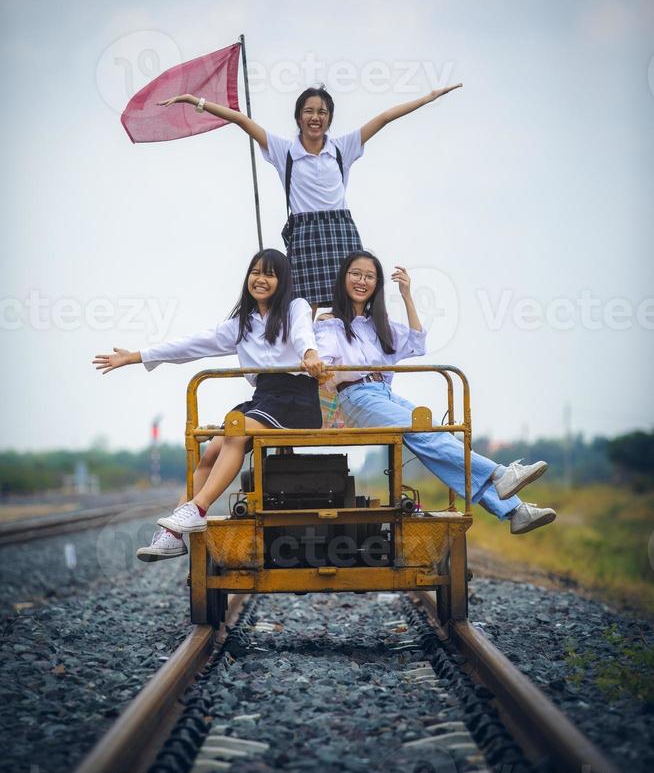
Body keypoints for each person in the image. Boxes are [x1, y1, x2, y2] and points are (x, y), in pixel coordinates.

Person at [92, 249, 327, 561]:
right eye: (255, 272)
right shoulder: (242, 324)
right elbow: (192, 343)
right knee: (211, 452)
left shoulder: (295, 307)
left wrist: (310, 353)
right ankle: (173, 535)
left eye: (269, 274)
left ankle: (197, 508)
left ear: (282, 281)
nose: (260, 279)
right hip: (264, 399)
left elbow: (302, 333)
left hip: (296, 399)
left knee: (235, 431)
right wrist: (136, 356)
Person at [157, 83, 462, 312]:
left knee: (350, 298)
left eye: (322, 112)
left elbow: (383, 118)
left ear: (329, 118)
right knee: (305, 304)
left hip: (340, 228)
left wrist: (426, 98)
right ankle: (308, 364)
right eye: (309, 111)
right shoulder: (284, 150)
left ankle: (347, 360)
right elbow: (241, 120)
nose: (315, 117)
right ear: (299, 117)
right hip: (304, 230)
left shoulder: (342, 147)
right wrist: (195, 101)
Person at [314, 251, 557, 535]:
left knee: (435, 438)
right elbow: (323, 360)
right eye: (355, 274)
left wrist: (407, 294)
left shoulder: (376, 325)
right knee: (428, 437)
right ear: (343, 277)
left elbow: (417, 342)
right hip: (356, 397)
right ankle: (501, 474)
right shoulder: (329, 322)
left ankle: (515, 511)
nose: (362, 281)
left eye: (370, 276)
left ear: (377, 284)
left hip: (384, 393)